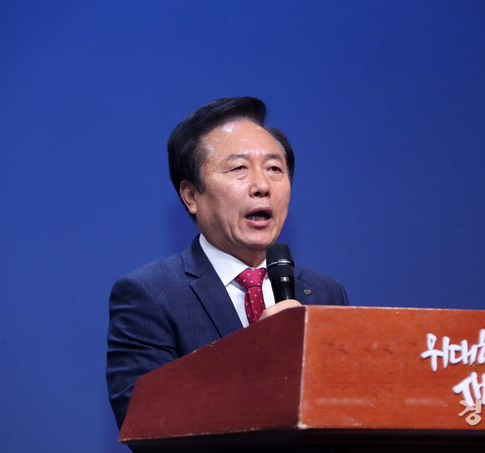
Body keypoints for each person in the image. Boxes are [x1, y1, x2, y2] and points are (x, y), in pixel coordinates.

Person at [106, 97, 349, 429]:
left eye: (275, 169)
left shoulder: (325, 292)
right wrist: (256, 354)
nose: (262, 186)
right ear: (191, 195)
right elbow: (145, 422)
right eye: (239, 169)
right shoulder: (150, 294)